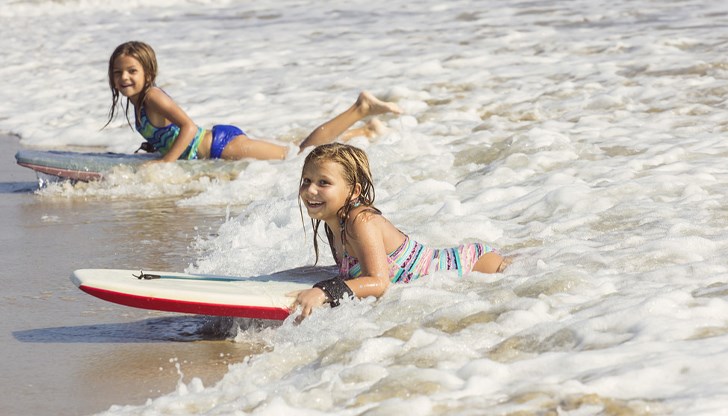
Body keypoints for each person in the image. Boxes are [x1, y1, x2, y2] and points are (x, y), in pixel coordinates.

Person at [292, 143, 508, 320]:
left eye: (323, 182)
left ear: (353, 191)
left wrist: (324, 291)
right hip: (451, 275)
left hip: (471, 266)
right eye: (307, 181)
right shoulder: (334, 224)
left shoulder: (361, 221)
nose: (311, 190)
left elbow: (379, 282)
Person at [104, 41, 402, 162]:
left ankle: (360, 108)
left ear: (148, 73)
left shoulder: (153, 96)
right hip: (218, 147)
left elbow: (189, 128)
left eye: (132, 71)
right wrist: (156, 147)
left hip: (222, 146)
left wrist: (165, 164)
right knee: (294, 150)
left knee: (298, 156)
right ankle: (365, 132)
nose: (124, 78)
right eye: (118, 72)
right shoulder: (137, 101)